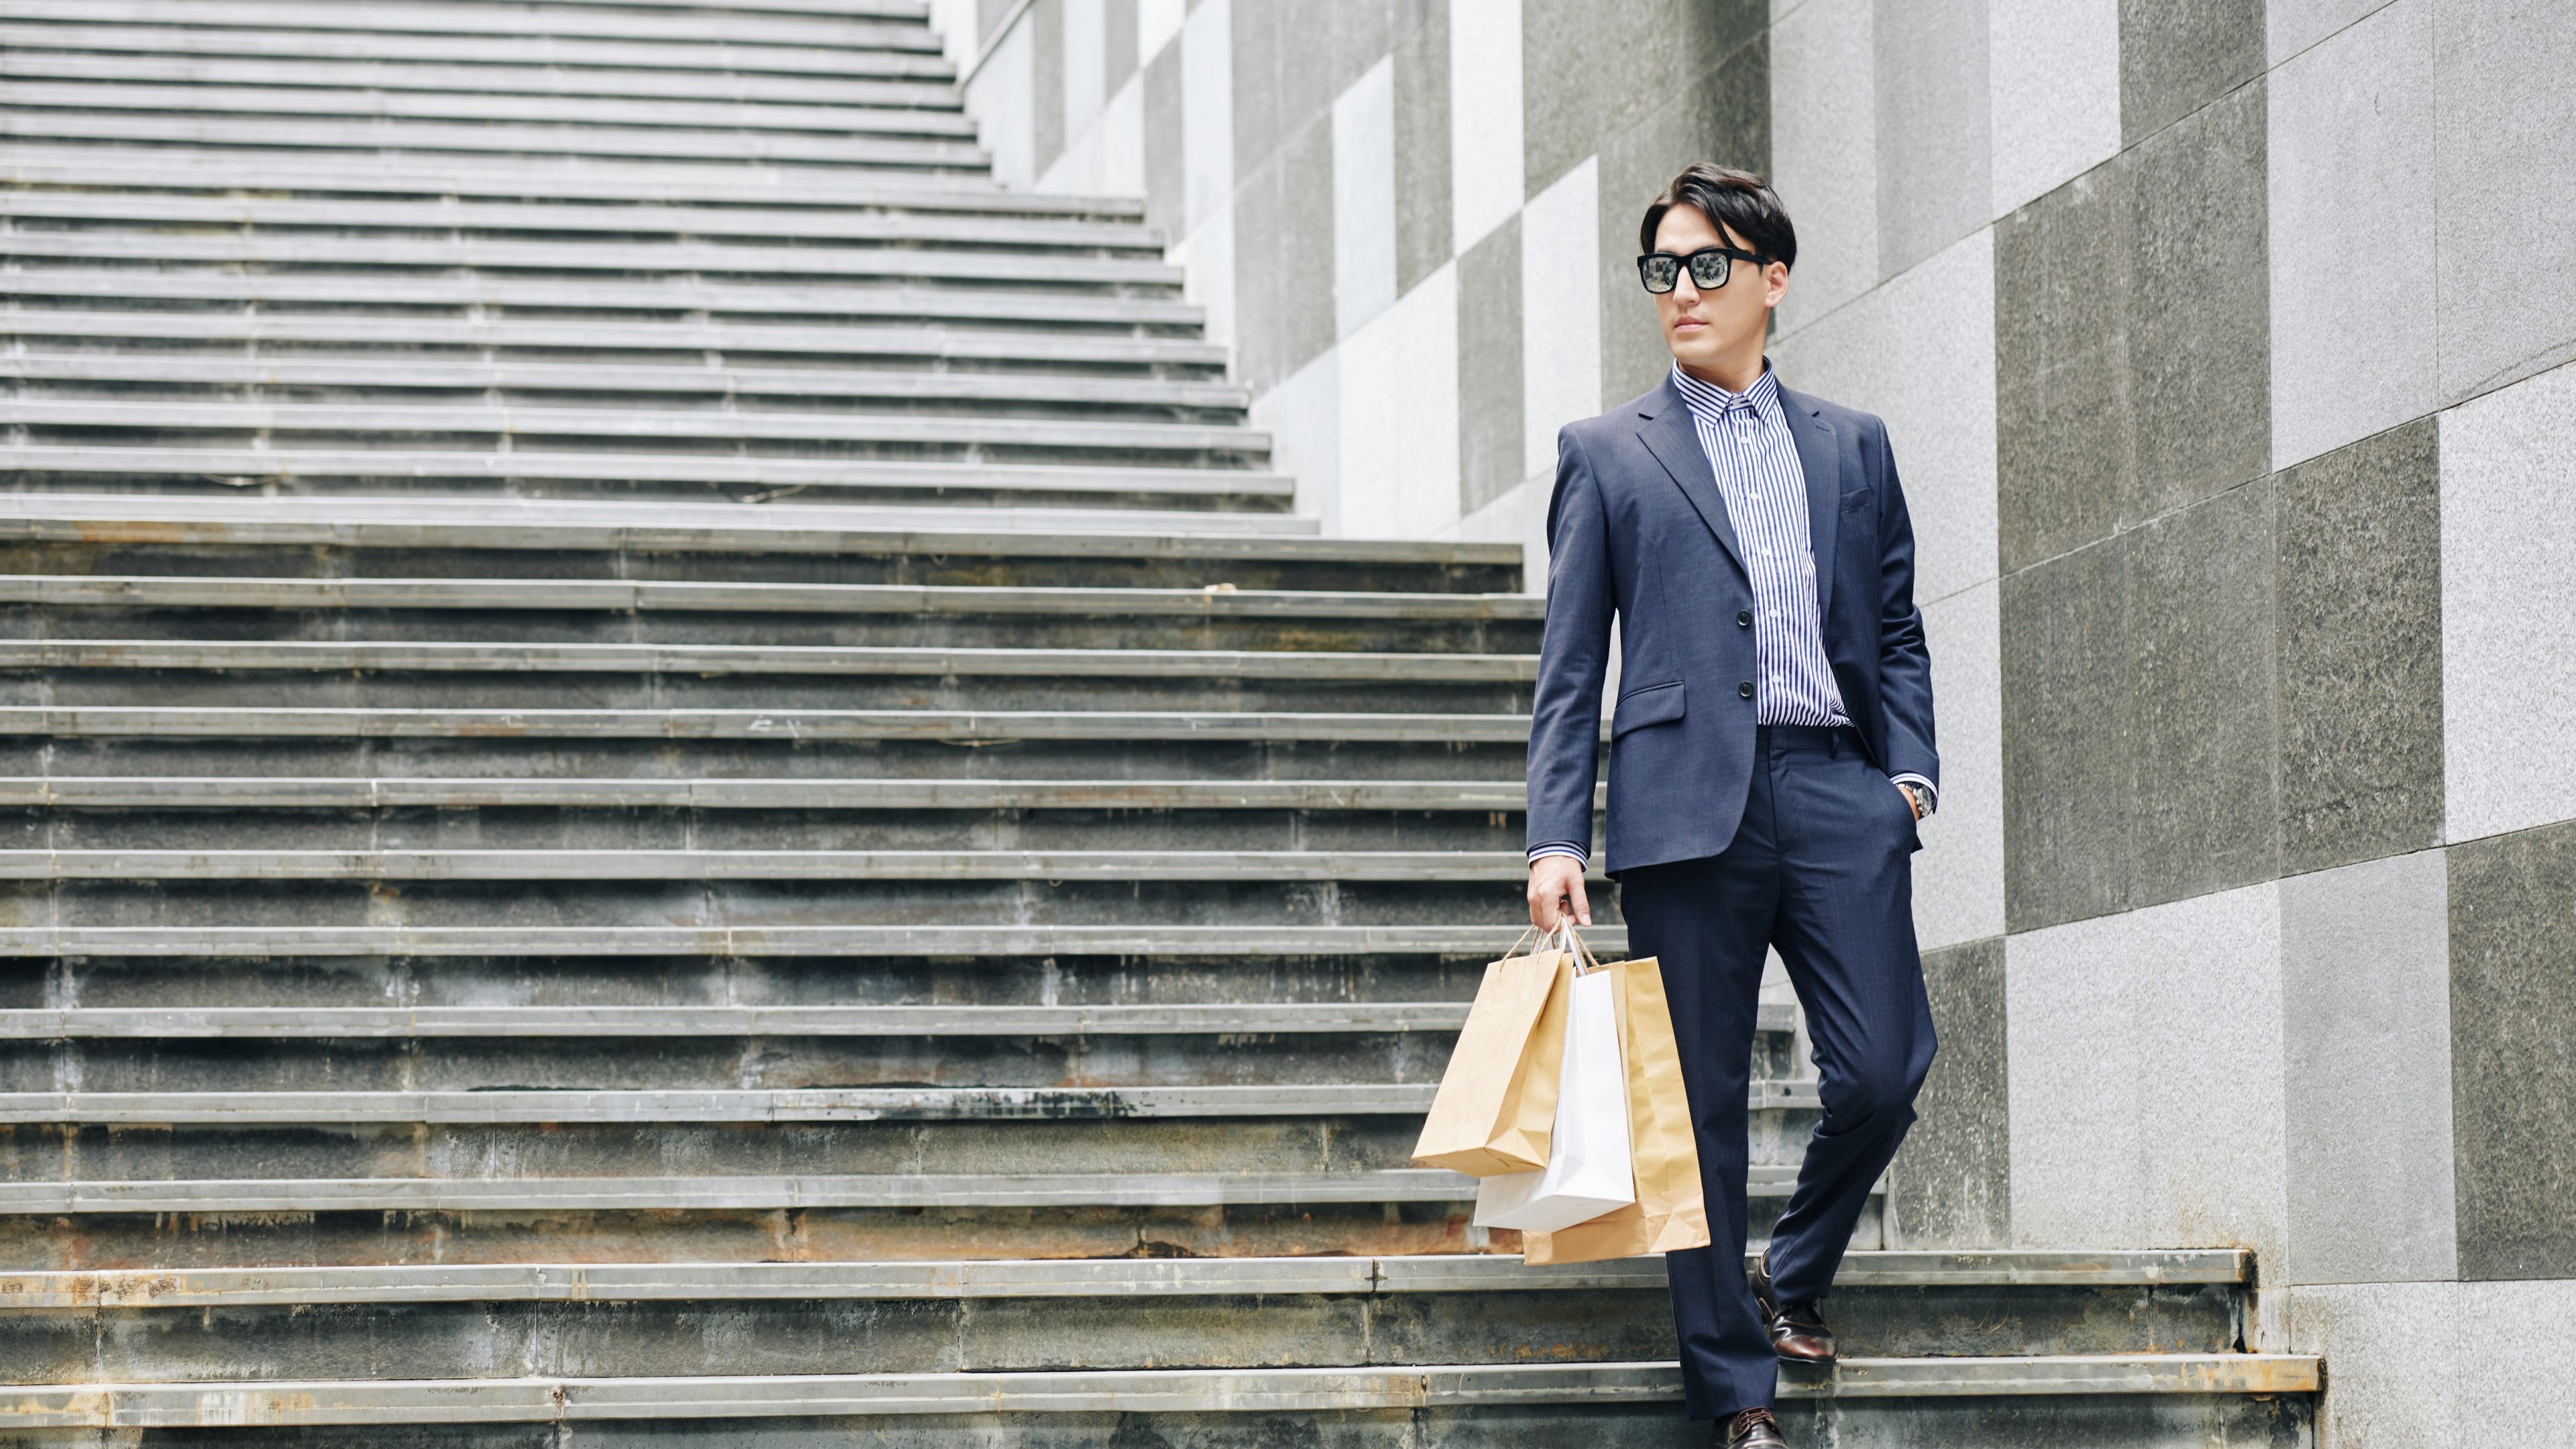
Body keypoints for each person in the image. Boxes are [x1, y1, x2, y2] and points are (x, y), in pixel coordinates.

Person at [1521, 162, 1939, 1449]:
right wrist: (1555, 835)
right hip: (1682, 804)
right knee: (1695, 1106)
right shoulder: (1606, 454)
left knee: (1885, 1066)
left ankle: (1794, 1272)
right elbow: (1571, 662)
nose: (1683, 292)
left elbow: (1896, 622)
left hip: (1832, 790)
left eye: (1709, 266)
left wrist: (1907, 778)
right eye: (1663, 270)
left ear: (1772, 279)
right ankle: (1737, 1394)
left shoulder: (1852, 444)